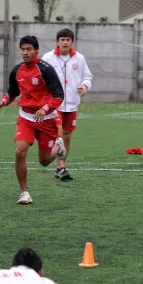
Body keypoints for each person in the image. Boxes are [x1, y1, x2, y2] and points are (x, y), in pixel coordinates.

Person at [0, 35, 66, 205]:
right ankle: (24, 192)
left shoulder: (46, 70)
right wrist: (2, 102)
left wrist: (45, 108)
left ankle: (58, 148)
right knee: (20, 151)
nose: (25, 53)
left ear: (36, 50)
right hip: (26, 117)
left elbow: (58, 95)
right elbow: (12, 92)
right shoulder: (17, 70)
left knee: (45, 161)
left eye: (28, 49)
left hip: (46, 119)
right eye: (23, 50)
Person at [41, 28, 94, 181]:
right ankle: (57, 164)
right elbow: (41, 77)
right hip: (54, 104)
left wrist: (85, 85)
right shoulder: (48, 58)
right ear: (57, 41)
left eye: (68, 40)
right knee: (58, 133)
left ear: (72, 42)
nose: (65, 42)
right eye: (62, 39)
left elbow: (87, 77)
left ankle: (61, 166)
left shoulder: (79, 58)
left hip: (72, 103)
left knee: (67, 136)